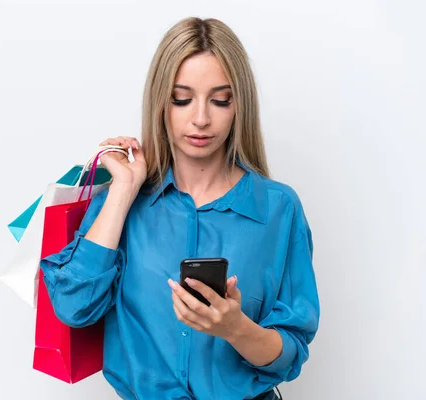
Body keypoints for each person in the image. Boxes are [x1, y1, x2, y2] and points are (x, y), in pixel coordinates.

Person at [40, 17, 320, 400]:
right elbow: (74, 307)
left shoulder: (278, 209)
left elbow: (290, 354)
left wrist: (235, 328)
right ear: (161, 102)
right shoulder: (122, 203)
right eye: (182, 98)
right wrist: (123, 191)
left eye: (220, 99)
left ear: (240, 105)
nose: (201, 118)